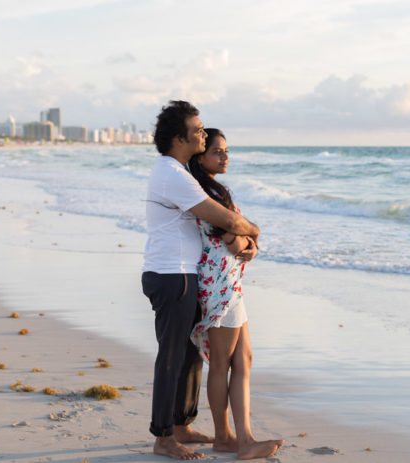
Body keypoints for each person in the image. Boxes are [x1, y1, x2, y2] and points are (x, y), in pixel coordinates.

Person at [141, 101, 261, 460]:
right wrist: (254, 231)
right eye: (198, 129)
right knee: (173, 355)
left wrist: (246, 238)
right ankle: (163, 437)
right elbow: (225, 220)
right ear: (179, 138)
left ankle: (181, 424)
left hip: (183, 272)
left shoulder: (176, 171)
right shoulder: (173, 176)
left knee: (191, 356)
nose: (203, 133)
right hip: (171, 274)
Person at [187, 129, 284, 459]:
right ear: (201, 156)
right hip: (219, 285)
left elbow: (238, 231)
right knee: (222, 364)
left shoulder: (209, 188)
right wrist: (250, 241)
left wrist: (250, 242)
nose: (225, 157)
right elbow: (232, 234)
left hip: (226, 283)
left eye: (226, 151)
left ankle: (236, 437)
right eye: (217, 151)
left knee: (242, 360)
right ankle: (232, 439)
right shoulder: (204, 191)